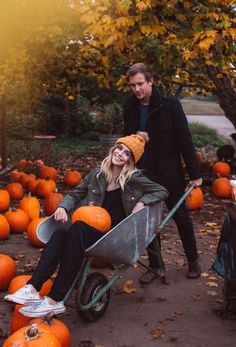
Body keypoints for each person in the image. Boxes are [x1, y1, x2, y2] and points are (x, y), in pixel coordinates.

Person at [4, 132, 168, 317]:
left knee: (77, 229)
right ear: (114, 148)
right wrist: (64, 207)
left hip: (114, 236)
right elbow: (76, 192)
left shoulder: (134, 179)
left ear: (131, 161)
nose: (120, 153)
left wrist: (142, 202)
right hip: (90, 230)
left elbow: (162, 191)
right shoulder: (98, 173)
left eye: (127, 153)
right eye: (119, 148)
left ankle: (55, 299)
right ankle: (33, 288)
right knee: (60, 234)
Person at [123, 63, 202, 284]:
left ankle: (193, 259)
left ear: (150, 81)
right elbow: (125, 138)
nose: (136, 89)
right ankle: (156, 266)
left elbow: (184, 140)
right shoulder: (129, 106)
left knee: (180, 217)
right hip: (142, 173)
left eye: (140, 84)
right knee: (147, 221)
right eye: (132, 85)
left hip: (169, 174)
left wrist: (195, 174)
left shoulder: (170, 106)